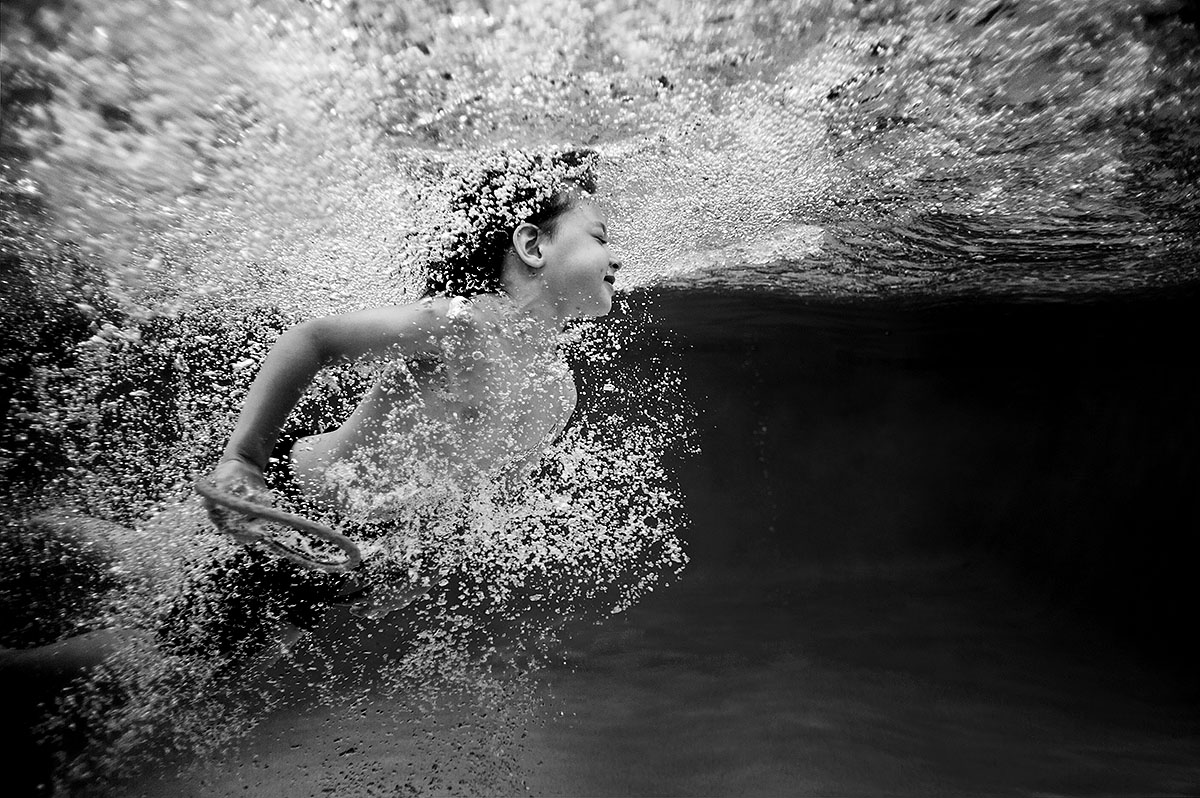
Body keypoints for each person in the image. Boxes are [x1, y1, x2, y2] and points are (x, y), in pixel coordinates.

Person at [180, 148, 621, 658]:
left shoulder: (556, 393)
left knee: (207, 661)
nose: (616, 257)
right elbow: (313, 341)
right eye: (599, 237)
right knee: (162, 656)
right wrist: (244, 461)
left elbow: (478, 496)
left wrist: (420, 559)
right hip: (286, 502)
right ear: (531, 244)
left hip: (353, 547)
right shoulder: (461, 323)